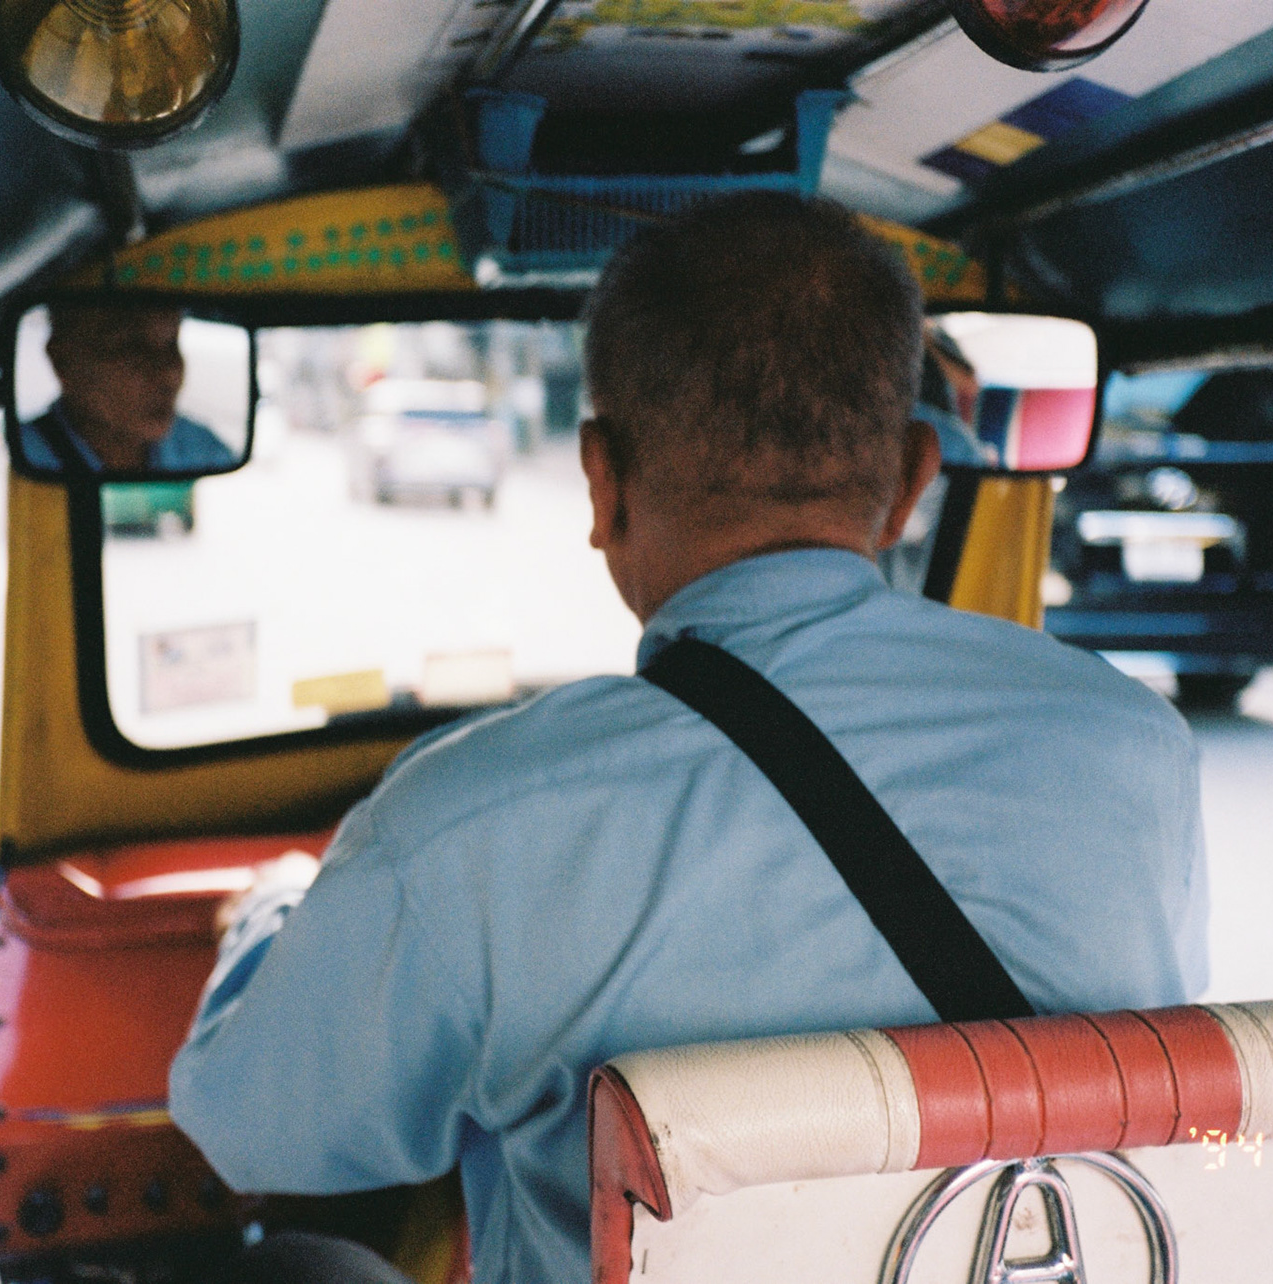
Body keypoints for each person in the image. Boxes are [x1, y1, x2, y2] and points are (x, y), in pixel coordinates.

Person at [169, 194, 1207, 1284]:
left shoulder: (470, 826)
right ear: (909, 481)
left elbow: (251, 1129)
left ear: (600, 482)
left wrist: (269, 916)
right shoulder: (1136, 748)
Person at [19, 303, 236, 473]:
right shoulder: (21, 455)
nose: (168, 372)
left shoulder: (203, 450)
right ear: (64, 360)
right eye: (132, 347)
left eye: (172, 342)